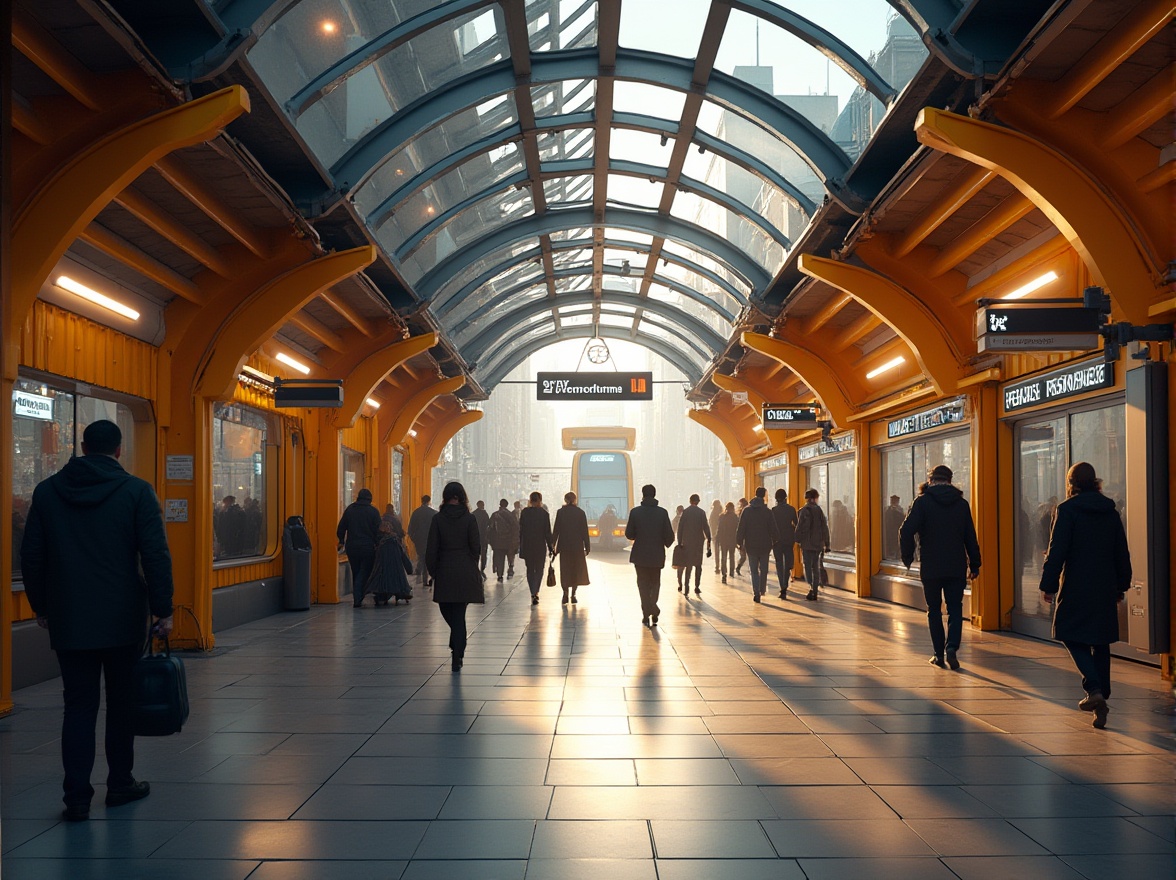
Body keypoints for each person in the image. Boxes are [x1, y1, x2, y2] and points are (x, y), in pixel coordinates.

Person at [20, 419, 174, 822]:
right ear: (119, 450)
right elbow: (155, 554)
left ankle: (76, 798)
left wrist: (42, 606)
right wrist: (164, 609)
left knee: (78, 706)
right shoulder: (136, 492)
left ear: (83, 447)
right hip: (122, 617)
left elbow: (32, 556)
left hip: (69, 617)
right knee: (121, 704)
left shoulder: (48, 492)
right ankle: (120, 783)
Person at [1039, 462, 1131, 729]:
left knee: (1068, 632)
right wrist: (1121, 585)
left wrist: (1048, 585)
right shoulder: (1110, 510)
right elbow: (1120, 550)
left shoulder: (1067, 510)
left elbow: (1057, 549)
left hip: (1076, 583)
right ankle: (1101, 696)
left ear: (1072, 483)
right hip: (1104, 585)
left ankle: (1094, 689)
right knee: (1100, 641)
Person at [899, 465, 981, 670]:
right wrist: (975, 563)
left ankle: (938, 654)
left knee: (933, 610)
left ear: (930, 480)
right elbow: (970, 535)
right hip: (956, 565)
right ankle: (951, 647)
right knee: (955, 608)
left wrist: (907, 557)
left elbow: (906, 530)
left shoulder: (923, 502)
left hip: (931, 565)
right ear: (950, 480)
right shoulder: (962, 504)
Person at [426, 481, 484, 670]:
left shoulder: (438, 519)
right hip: (465, 569)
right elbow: (476, 547)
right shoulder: (469, 519)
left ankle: (457, 651)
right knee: (458, 613)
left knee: (446, 608)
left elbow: (431, 548)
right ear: (461, 497)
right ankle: (458, 649)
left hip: (445, 569)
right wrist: (471, 564)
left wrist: (433, 571)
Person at [625, 484, 674, 626]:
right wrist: (664, 543)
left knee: (642, 584)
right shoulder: (662, 513)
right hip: (657, 555)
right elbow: (669, 536)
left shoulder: (635, 512)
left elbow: (629, 534)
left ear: (643, 494)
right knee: (655, 583)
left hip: (640, 555)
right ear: (654, 494)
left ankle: (647, 612)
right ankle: (652, 607)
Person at [337, 488, 382, 607]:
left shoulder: (350, 510)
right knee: (364, 571)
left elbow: (341, 527)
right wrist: (378, 543)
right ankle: (358, 597)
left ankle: (358, 596)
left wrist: (341, 540)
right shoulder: (373, 512)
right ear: (370, 499)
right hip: (368, 547)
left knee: (356, 571)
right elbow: (378, 531)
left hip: (352, 547)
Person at [736, 486, 780, 603]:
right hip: (765, 545)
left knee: (754, 569)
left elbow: (741, 527)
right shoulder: (767, 512)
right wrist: (775, 539)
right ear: (764, 495)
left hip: (751, 544)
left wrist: (739, 541)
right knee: (764, 569)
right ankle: (761, 589)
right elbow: (773, 528)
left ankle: (756, 592)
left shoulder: (747, 510)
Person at [368, 507, 413, 606]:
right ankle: (400, 593)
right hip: (395, 561)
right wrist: (409, 567)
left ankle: (382, 595)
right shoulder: (394, 538)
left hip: (383, 563)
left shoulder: (380, 540)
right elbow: (402, 534)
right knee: (397, 574)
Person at [553, 491, 591, 604]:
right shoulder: (580, 513)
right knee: (575, 570)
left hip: (564, 546)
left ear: (565, 500)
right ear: (575, 500)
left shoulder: (561, 512)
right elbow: (585, 531)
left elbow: (556, 530)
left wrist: (553, 544)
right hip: (577, 546)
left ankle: (565, 593)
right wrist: (587, 546)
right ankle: (573, 595)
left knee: (565, 570)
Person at [518, 492, 553, 605]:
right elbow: (547, 533)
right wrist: (551, 547)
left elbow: (521, 531)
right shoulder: (544, 514)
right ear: (540, 500)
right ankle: (536, 591)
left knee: (530, 570)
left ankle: (532, 592)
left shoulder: (524, 513)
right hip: (540, 546)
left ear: (530, 500)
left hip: (528, 546)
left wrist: (520, 545)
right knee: (539, 570)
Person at [795, 489, 830, 601]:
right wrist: (827, 543)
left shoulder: (803, 510)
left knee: (808, 566)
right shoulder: (819, 510)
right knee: (815, 567)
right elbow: (825, 527)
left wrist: (797, 539)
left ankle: (811, 586)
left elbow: (800, 527)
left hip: (806, 544)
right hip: (818, 544)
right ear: (814, 498)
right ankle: (815, 588)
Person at [676, 494, 711, 596]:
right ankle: (697, 586)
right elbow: (706, 527)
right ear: (698, 501)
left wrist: (679, 542)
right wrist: (709, 540)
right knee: (698, 566)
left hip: (687, 543)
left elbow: (680, 528)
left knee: (688, 565)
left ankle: (686, 587)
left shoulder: (685, 512)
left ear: (690, 501)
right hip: (698, 543)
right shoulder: (701, 513)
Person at [771, 488, 798, 599]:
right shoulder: (791, 509)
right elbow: (797, 524)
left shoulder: (773, 510)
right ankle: (785, 585)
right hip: (788, 540)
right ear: (786, 498)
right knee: (787, 563)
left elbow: (771, 526)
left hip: (777, 540)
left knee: (779, 563)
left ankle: (782, 585)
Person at [406, 495, 436, 587]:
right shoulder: (433, 513)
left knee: (422, 558)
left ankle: (424, 579)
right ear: (429, 501)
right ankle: (430, 577)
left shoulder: (416, 512)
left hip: (419, 540)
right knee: (430, 558)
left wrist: (414, 539)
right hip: (431, 540)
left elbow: (410, 529)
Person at [488, 498, 519, 581]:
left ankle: (500, 575)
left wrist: (490, 541)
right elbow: (516, 528)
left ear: (500, 504)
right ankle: (510, 568)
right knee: (510, 556)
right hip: (509, 541)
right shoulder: (511, 515)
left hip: (498, 542)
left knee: (499, 558)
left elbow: (490, 529)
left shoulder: (495, 515)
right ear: (507, 505)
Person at [716, 501, 738, 584]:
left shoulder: (722, 517)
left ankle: (724, 574)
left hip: (724, 540)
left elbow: (719, 529)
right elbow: (737, 529)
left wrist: (718, 539)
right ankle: (731, 572)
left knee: (724, 557)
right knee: (731, 556)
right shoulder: (735, 517)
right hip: (732, 540)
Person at [882, 495, 904, 559]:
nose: (893, 502)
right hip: (888, 533)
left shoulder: (900, 511)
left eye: (895, 501)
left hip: (896, 533)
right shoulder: (887, 511)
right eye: (892, 500)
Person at [472, 500, 491, 577]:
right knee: (483, 554)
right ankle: (482, 570)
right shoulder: (484, 514)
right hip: (483, 538)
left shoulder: (473, 514)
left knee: (475, 554)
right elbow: (488, 525)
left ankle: (475, 568)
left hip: (474, 538)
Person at [734, 497, 749, 575]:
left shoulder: (739, 514)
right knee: (746, 556)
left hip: (742, 538)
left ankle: (738, 567)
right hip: (747, 538)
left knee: (744, 556)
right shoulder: (744, 513)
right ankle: (738, 567)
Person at [708, 500, 723, 573]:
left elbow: (711, 524)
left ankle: (717, 566)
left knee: (717, 552)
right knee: (723, 551)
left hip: (715, 535)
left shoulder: (713, 514)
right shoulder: (722, 512)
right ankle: (722, 566)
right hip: (723, 535)